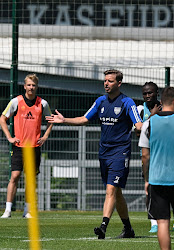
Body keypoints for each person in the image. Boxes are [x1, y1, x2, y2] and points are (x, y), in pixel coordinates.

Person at [46, 69, 143, 239]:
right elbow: (84, 119)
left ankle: (103, 226)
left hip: (120, 152)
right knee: (116, 193)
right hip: (104, 153)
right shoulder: (100, 101)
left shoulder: (128, 103)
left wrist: (142, 126)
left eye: (110, 81)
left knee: (110, 190)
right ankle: (128, 229)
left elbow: (139, 124)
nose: (106, 83)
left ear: (119, 83)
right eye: (105, 80)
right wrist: (64, 120)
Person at [139, 87, 174, 250]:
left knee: (162, 222)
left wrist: (147, 179)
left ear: (162, 101)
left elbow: (145, 156)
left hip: (157, 180)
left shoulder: (148, 124)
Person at [0, 73, 53, 218]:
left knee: (30, 178)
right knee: (15, 176)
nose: (31, 87)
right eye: (29, 85)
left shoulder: (42, 103)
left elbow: (51, 120)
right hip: (19, 146)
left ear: (37, 87)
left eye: (33, 85)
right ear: (24, 86)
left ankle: (27, 210)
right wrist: (10, 137)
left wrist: (45, 136)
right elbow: (2, 118)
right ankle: (8, 210)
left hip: (34, 147)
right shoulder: (16, 102)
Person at [137, 82, 174, 233]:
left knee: (173, 188)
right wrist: (153, 117)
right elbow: (137, 131)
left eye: (150, 93)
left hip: (166, 154)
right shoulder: (140, 109)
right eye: (145, 93)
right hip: (149, 156)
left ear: (157, 93)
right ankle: (153, 223)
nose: (148, 96)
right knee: (150, 189)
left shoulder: (165, 107)